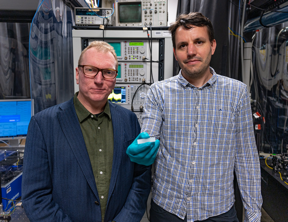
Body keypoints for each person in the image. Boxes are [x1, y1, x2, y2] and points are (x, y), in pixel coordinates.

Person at [127, 12, 263, 222]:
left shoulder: (237, 93)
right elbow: (148, 137)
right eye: (183, 45)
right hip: (168, 210)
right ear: (175, 52)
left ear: (213, 45)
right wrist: (143, 147)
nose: (191, 51)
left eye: (199, 42)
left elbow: (246, 158)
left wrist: (253, 214)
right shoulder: (158, 92)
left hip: (218, 212)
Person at [22, 41, 151, 222]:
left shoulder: (129, 121)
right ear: (78, 74)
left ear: (115, 78)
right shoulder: (43, 124)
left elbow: (140, 180)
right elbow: (35, 197)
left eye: (108, 72)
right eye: (90, 70)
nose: (99, 80)